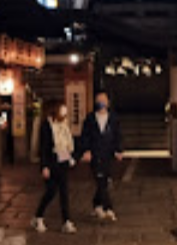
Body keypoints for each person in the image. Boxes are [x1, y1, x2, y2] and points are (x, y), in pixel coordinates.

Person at [31, 100, 77, 234]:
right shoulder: (46, 125)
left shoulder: (64, 124)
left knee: (64, 192)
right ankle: (38, 216)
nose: (64, 110)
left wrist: (70, 156)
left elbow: (67, 143)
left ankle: (66, 221)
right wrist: (44, 166)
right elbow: (44, 147)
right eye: (62, 108)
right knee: (51, 191)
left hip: (62, 161)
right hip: (51, 162)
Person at [79, 90, 123, 221]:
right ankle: (108, 207)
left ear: (108, 102)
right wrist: (86, 150)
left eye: (104, 100)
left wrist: (119, 150)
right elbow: (85, 136)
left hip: (108, 153)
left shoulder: (114, 119)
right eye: (99, 100)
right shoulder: (90, 118)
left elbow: (118, 136)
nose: (101, 102)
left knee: (105, 180)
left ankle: (97, 204)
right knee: (100, 179)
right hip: (95, 153)